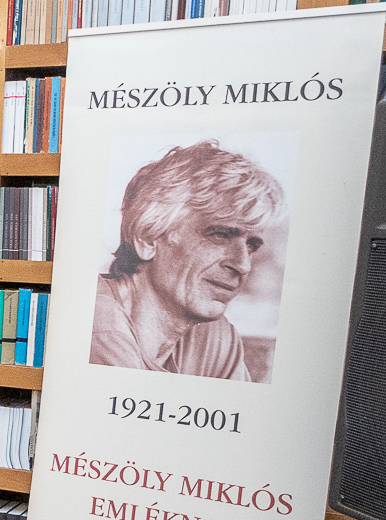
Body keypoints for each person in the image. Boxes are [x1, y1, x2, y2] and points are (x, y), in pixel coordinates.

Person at [90, 140, 285, 382]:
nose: (242, 265)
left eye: (251, 245)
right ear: (148, 238)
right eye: (220, 235)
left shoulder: (215, 337)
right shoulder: (98, 323)